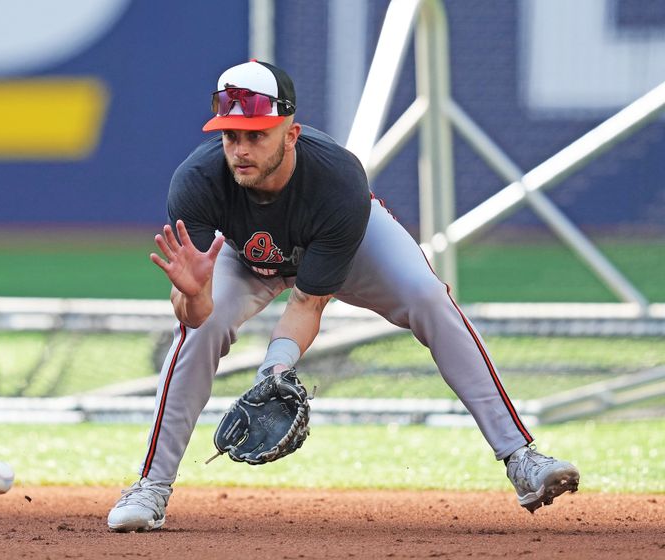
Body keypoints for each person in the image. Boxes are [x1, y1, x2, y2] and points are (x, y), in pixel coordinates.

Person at [107, 60, 579, 532]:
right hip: (242, 254)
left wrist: (275, 369)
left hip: (346, 243)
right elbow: (196, 312)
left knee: (428, 297)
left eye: (257, 135)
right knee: (196, 330)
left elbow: (308, 303)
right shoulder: (196, 183)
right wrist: (192, 298)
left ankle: (520, 458)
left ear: (291, 134)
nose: (241, 149)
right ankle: (151, 485)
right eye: (232, 135)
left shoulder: (337, 179)